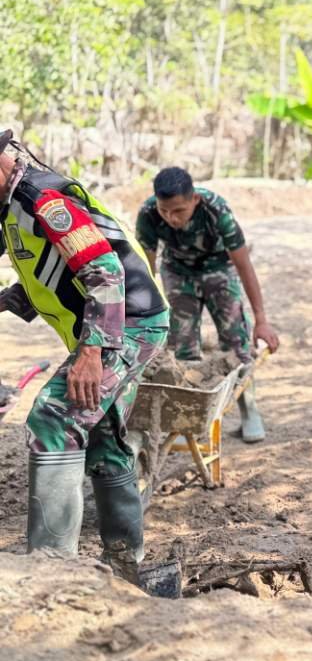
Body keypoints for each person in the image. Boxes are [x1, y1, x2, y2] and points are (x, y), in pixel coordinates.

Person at [0, 129, 169, 581]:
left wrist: (92, 353)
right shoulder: (10, 207)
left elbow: (104, 270)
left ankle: (51, 573)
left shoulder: (43, 200)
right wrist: (10, 299)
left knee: (53, 419)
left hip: (128, 323)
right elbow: (47, 271)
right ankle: (126, 568)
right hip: (113, 322)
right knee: (103, 437)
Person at [136, 167, 279, 443]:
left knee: (236, 341)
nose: (171, 218)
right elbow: (146, 270)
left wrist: (261, 320)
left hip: (218, 269)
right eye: (165, 211)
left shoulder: (216, 210)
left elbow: (243, 265)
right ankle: (185, 421)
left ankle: (249, 411)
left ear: (195, 200)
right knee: (183, 348)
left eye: (179, 210)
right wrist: (144, 320)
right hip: (177, 272)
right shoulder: (148, 213)